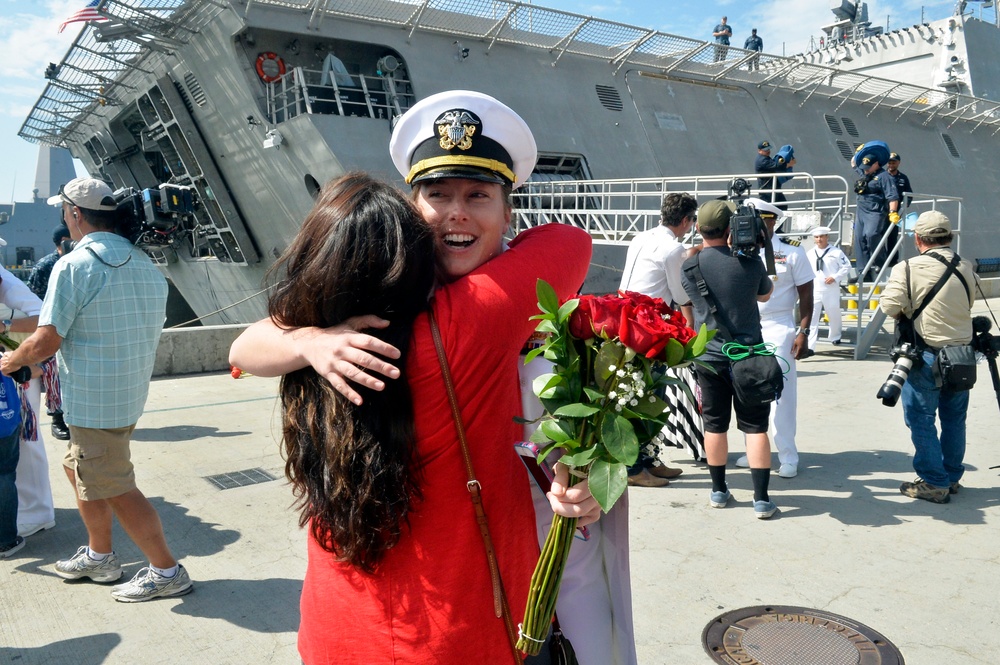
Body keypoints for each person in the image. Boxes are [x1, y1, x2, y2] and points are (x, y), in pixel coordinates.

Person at [230, 91, 601, 663]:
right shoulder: (481, 313)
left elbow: (243, 345)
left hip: (338, 628)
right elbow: (570, 241)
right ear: (409, 211)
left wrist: (309, 339)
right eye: (437, 195)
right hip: (459, 630)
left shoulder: (329, 328)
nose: (456, 212)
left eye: (477, 194)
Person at [1, 177, 192, 602]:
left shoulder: (74, 265)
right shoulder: (145, 264)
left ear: (74, 213)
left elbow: (46, 341)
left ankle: (166, 570)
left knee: (115, 485)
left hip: (92, 400)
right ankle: (99, 554)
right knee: (78, 467)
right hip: (125, 396)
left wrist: (11, 360)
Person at [681, 200, 778, 519]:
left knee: (715, 426)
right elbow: (765, 295)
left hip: (708, 357)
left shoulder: (690, 266)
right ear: (730, 230)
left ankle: (719, 491)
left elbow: (691, 299)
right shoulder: (750, 264)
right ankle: (761, 499)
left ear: (698, 228)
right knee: (755, 428)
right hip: (749, 357)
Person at [879, 211, 975, 504]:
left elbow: (889, 306)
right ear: (950, 237)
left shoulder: (907, 268)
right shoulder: (965, 266)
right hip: (962, 356)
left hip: (926, 356)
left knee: (921, 419)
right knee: (955, 418)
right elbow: (968, 303)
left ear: (918, 239)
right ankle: (951, 476)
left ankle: (934, 482)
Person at [619, 192, 700, 487]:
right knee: (647, 396)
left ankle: (650, 459)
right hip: (648, 327)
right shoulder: (673, 249)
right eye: (692, 220)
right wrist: (690, 321)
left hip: (625, 319)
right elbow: (680, 295)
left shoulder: (641, 237)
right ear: (685, 220)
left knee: (641, 394)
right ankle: (634, 468)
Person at [732, 199, 813, 479]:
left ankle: (788, 454)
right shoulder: (738, 251)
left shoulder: (791, 252)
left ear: (772, 221)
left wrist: (803, 331)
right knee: (748, 389)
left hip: (779, 325)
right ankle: (755, 448)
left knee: (782, 394)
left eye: (759, 220)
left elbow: (806, 295)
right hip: (746, 327)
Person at [0, 263, 56, 540]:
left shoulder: (9, 283)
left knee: (26, 440)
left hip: (19, 370)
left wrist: (5, 325)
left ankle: (38, 513)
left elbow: (44, 318)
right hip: (8, 368)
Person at [26, 223, 71, 441]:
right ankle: (57, 417)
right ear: (63, 241)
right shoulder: (46, 266)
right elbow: (32, 301)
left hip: (75, 327)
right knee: (53, 374)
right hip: (52, 328)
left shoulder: (78, 263)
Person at [852, 143, 901, 282]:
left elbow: (893, 196)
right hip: (861, 211)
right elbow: (854, 163)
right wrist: (860, 151)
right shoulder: (865, 172)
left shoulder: (884, 177)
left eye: (868, 167)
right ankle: (863, 272)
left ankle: (880, 262)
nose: (865, 170)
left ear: (876, 164)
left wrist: (893, 212)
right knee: (860, 239)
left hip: (875, 212)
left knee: (872, 234)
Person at [806, 226, 851, 350]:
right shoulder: (810, 253)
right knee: (812, 317)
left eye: (821, 236)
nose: (819, 239)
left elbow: (846, 266)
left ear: (827, 237)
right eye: (816, 237)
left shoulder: (836, 252)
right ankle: (810, 345)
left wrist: (835, 277)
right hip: (815, 289)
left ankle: (835, 336)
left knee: (833, 313)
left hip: (830, 289)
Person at [754, 140, 794, 205]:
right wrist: (787, 164)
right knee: (772, 208)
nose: (768, 151)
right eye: (765, 150)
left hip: (772, 187)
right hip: (767, 190)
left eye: (768, 149)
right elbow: (776, 166)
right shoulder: (762, 160)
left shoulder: (765, 158)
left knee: (782, 206)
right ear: (759, 151)